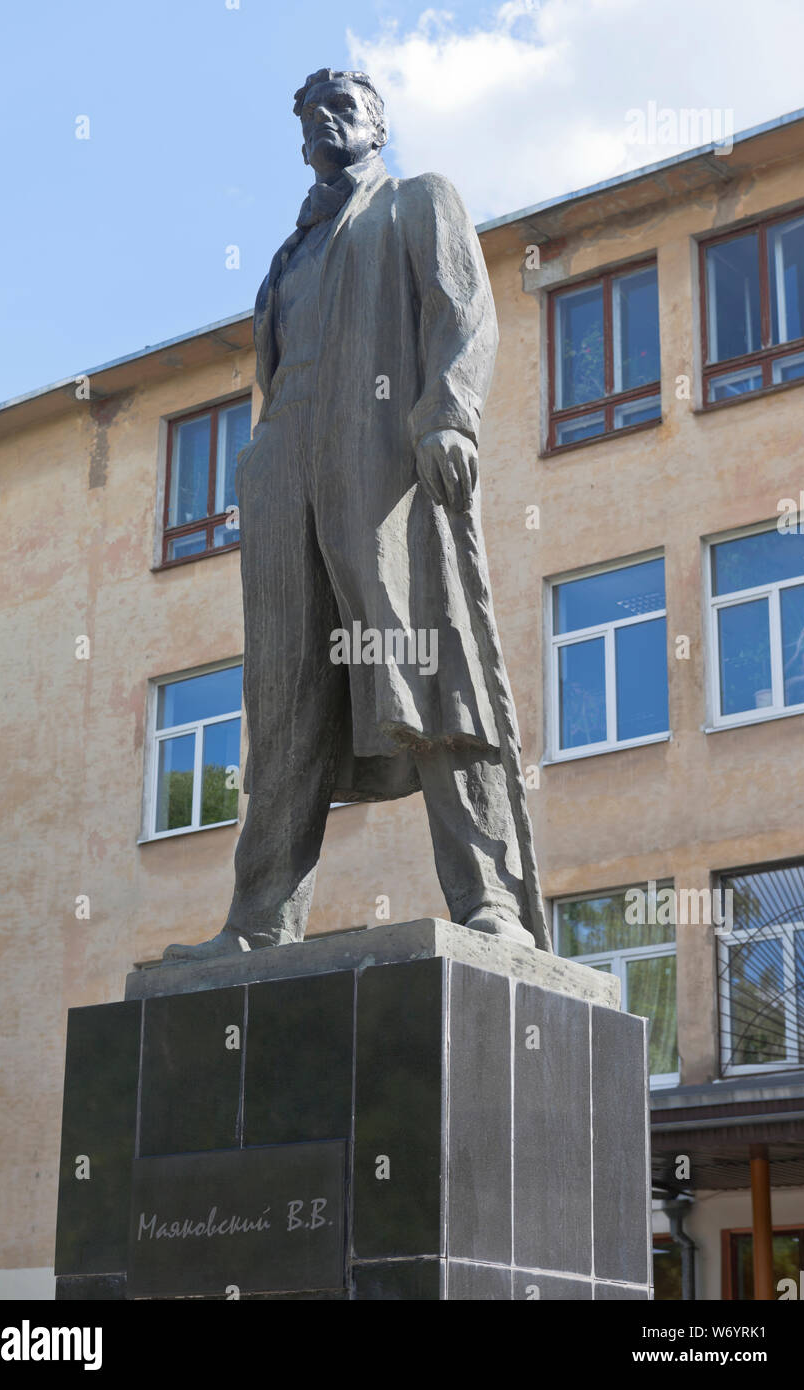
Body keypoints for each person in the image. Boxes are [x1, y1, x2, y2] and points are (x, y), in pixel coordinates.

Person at [165, 68, 549, 961]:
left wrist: (450, 413)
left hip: (380, 467)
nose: (327, 119)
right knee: (286, 694)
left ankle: (490, 900)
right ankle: (260, 919)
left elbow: (466, 311)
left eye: (346, 105)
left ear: (380, 122)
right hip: (285, 475)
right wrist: (261, 465)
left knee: (427, 662)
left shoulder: (418, 202)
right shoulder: (286, 257)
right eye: (311, 112)